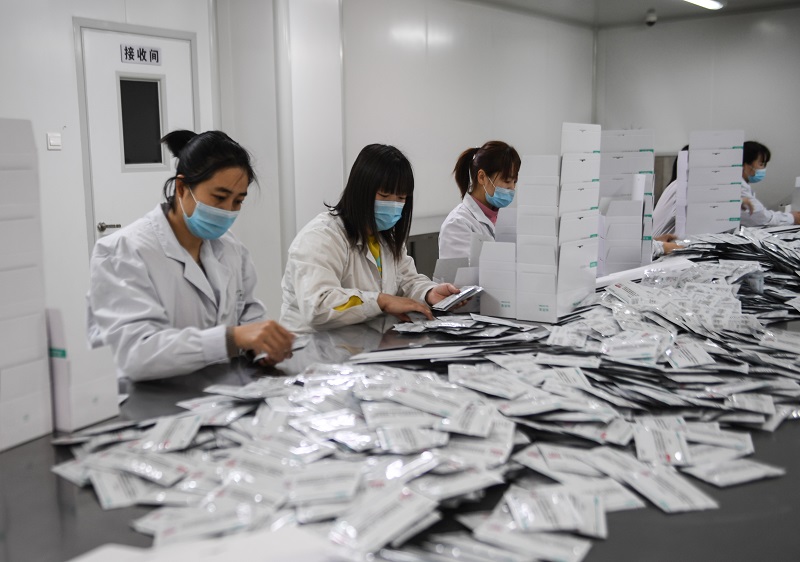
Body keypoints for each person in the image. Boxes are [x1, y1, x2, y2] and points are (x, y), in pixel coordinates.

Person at [87, 130, 295, 381]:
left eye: (238, 201)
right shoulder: (122, 251)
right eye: (219, 197)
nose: (227, 210)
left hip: (217, 388)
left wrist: (263, 347)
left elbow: (248, 313)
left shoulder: (230, 248)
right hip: (152, 394)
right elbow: (135, 354)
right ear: (182, 188)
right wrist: (230, 339)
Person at [281, 144, 461, 333]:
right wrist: (380, 301)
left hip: (362, 342)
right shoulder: (321, 237)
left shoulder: (386, 238)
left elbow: (406, 281)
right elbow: (319, 306)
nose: (393, 205)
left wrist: (429, 293)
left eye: (401, 198)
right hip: (313, 345)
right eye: (384, 195)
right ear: (360, 190)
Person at [438, 141, 521, 259]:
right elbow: (460, 270)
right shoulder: (457, 224)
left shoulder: (502, 219)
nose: (512, 188)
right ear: (482, 177)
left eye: (515, 182)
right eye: (507, 181)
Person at [739, 140, 800, 227]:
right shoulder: (739, 188)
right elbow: (760, 218)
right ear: (745, 165)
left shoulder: (743, 186)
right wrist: (792, 218)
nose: (763, 169)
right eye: (761, 164)